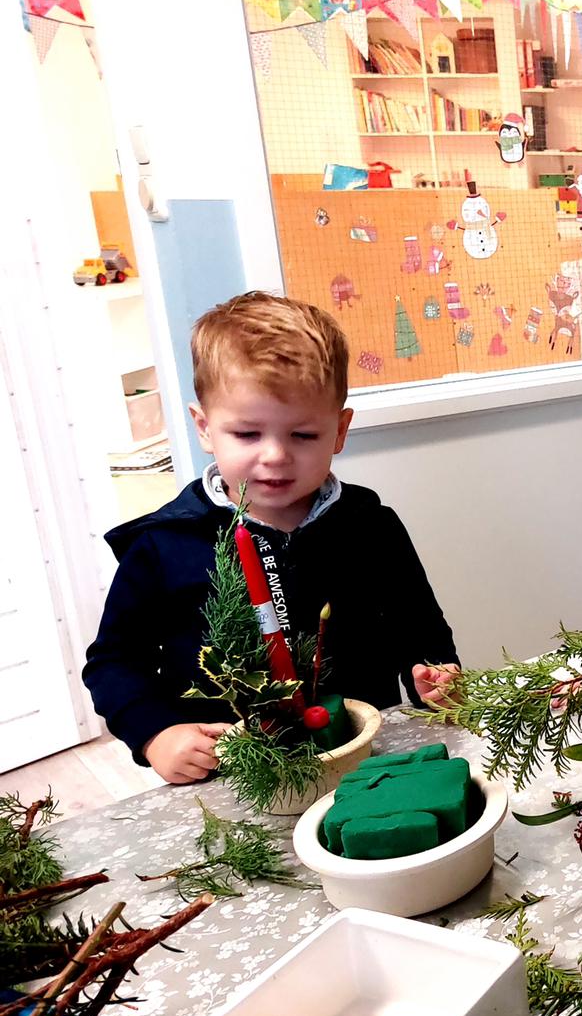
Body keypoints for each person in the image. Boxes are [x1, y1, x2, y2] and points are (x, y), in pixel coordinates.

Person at [83, 292, 458, 783]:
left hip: (366, 762)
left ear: (340, 430)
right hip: (230, 780)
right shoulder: (162, 545)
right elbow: (113, 662)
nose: (276, 456)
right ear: (204, 428)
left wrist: (434, 677)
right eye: (247, 434)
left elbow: (421, 628)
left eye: (303, 435)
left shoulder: (370, 525)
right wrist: (156, 734)